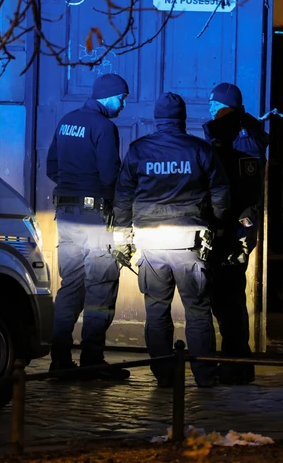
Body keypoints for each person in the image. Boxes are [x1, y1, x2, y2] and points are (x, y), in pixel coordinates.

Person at [113, 92, 230, 388]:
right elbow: (220, 193)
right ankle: (205, 377)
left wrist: (123, 236)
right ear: (182, 118)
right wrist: (217, 225)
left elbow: (123, 195)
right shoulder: (199, 149)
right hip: (189, 242)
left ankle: (165, 375)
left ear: (157, 118)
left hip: (151, 243)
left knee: (156, 311)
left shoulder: (139, 150)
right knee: (198, 311)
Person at [45, 73, 131, 381]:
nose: (123, 105)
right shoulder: (104, 127)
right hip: (94, 218)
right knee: (101, 288)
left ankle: (59, 360)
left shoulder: (67, 120)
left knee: (70, 286)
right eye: (121, 98)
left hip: (66, 215)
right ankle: (92, 360)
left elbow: (51, 167)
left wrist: (74, 185)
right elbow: (110, 175)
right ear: (108, 96)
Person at [202, 82, 269, 385]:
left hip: (232, 230)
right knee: (229, 299)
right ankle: (238, 363)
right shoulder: (244, 133)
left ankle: (236, 364)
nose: (209, 109)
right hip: (237, 228)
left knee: (227, 300)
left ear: (223, 108)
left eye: (213, 105)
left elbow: (236, 189)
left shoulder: (237, 139)